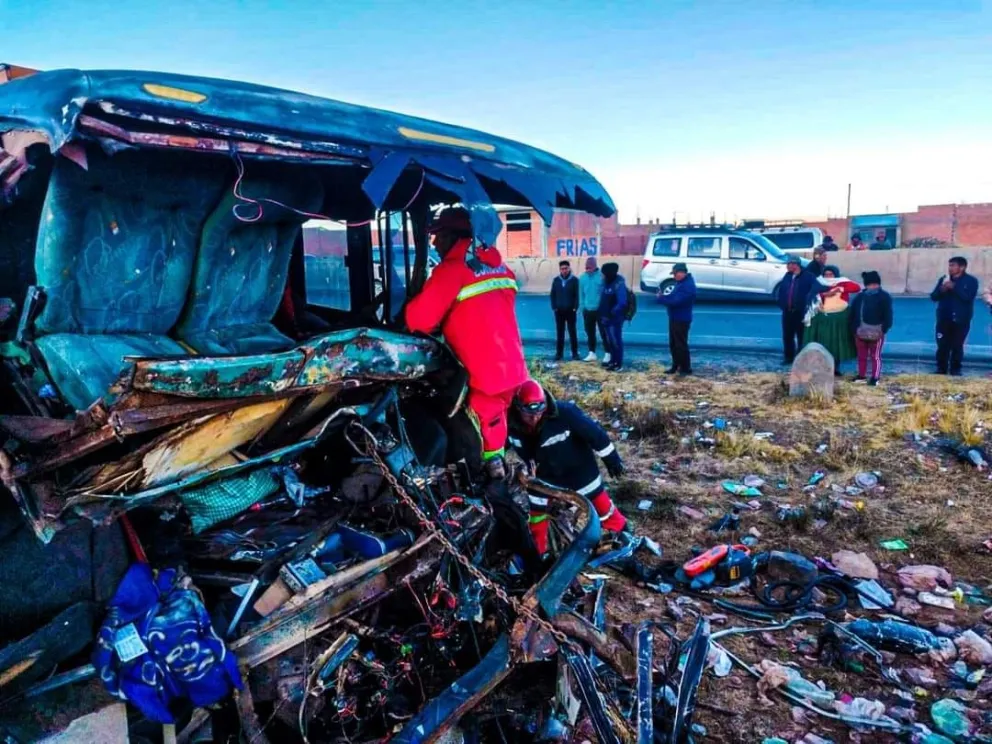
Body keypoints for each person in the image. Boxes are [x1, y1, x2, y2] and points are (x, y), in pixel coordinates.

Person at [405, 207, 528, 487]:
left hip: (484, 376)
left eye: (439, 236)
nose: (434, 243)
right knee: (495, 431)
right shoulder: (499, 267)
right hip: (513, 370)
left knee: (479, 444)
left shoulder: (452, 270)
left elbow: (417, 321)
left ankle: (486, 493)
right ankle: (495, 477)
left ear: (455, 236)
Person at [508, 380, 628, 555]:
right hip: (542, 478)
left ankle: (623, 533)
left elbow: (595, 434)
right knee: (537, 517)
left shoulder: (565, 414)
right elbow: (499, 443)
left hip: (580, 473)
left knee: (602, 507)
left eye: (539, 412)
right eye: (528, 414)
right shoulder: (510, 423)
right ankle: (537, 554)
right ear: (518, 408)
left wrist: (612, 459)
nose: (534, 418)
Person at [802, 265, 861, 376]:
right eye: (826, 274)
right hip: (824, 317)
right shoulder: (819, 282)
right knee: (824, 342)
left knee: (836, 343)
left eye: (831, 274)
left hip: (839, 318)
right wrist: (824, 294)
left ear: (836, 274)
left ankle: (836, 368)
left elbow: (856, 288)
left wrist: (841, 289)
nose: (828, 276)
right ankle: (822, 367)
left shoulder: (842, 282)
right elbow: (810, 295)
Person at [930, 256, 980, 376]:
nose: (950, 268)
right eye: (949, 265)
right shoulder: (944, 279)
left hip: (961, 319)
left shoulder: (971, 281)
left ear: (962, 267)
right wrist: (942, 289)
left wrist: (954, 287)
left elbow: (967, 298)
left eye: (953, 265)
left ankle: (955, 369)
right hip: (943, 318)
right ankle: (941, 368)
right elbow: (933, 297)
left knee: (957, 345)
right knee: (942, 344)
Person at [848, 270, 893, 386]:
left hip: (868, 331)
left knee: (874, 356)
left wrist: (883, 330)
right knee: (865, 356)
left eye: (873, 284)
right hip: (867, 331)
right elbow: (852, 313)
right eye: (870, 284)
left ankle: (874, 377)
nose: (872, 287)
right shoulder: (881, 296)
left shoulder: (863, 296)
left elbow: (888, 316)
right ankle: (864, 376)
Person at [656, 262, 696, 375]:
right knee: (674, 343)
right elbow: (673, 297)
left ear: (682, 273)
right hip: (675, 317)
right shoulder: (681, 282)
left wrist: (661, 299)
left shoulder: (687, 286)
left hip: (681, 319)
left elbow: (676, 301)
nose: (674, 276)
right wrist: (664, 296)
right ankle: (676, 365)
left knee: (680, 344)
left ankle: (685, 368)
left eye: (675, 274)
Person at [776, 255, 817, 364]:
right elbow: (782, 291)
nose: (788, 266)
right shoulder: (787, 276)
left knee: (802, 336)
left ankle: (801, 359)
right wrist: (782, 303)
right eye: (787, 264)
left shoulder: (808, 276)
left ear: (796, 265)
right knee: (787, 336)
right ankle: (788, 357)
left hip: (801, 312)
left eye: (790, 264)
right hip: (788, 311)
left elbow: (815, 291)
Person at [598, 262, 628, 371]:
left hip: (614, 319)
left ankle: (618, 363)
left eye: (604, 274)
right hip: (605, 317)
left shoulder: (619, 284)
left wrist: (612, 312)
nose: (602, 276)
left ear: (609, 273)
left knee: (616, 341)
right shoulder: (605, 282)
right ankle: (612, 360)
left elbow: (622, 302)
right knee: (610, 340)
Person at [578, 256, 606, 362]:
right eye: (586, 268)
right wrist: (582, 308)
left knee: (604, 332)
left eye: (589, 268)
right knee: (590, 333)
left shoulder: (601, 277)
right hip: (588, 311)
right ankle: (592, 353)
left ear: (594, 267)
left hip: (600, 310)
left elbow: (604, 294)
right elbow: (581, 294)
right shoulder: (582, 278)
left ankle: (607, 354)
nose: (587, 270)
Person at [550, 260, 580, 361]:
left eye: (566, 268)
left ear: (569, 268)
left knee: (572, 332)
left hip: (571, 311)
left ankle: (575, 353)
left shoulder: (575, 280)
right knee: (560, 333)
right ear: (560, 270)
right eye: (562, 269)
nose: (564, 271)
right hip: (559, 312)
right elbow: (552, 294)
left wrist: (575, 307)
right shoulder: (556, 280)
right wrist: (554, 307)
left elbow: (577, 295)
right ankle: (559, 354)